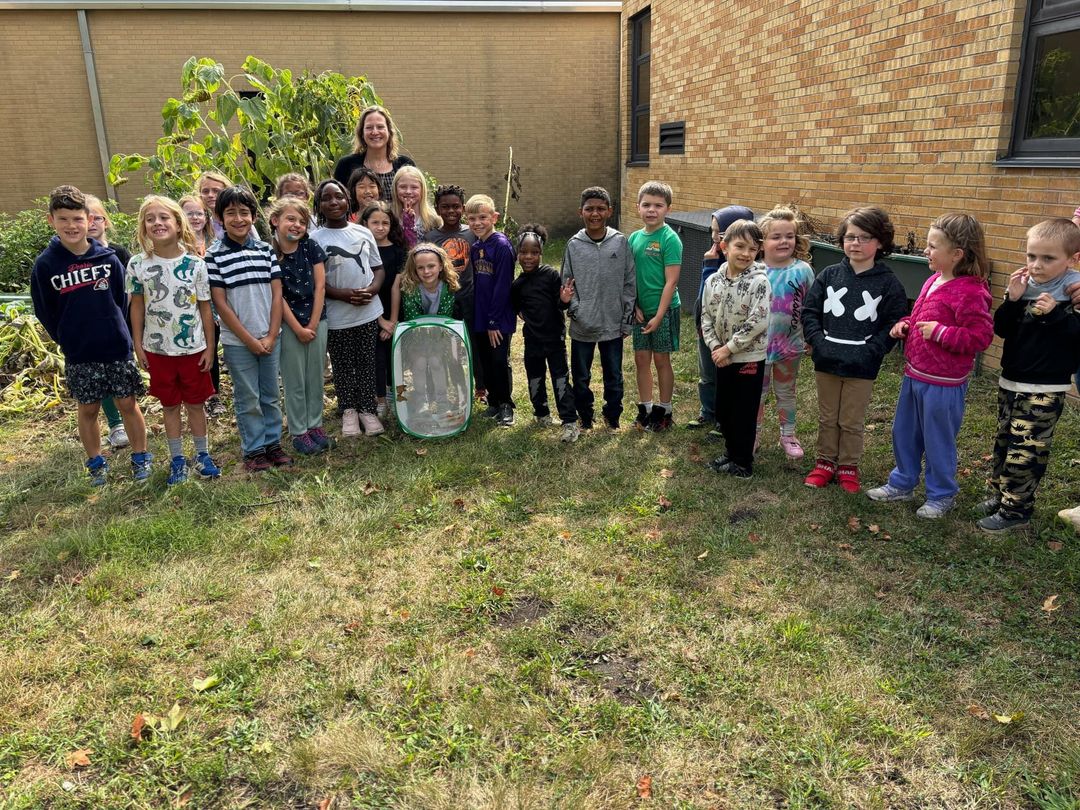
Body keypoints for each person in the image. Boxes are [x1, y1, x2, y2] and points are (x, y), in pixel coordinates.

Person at [866, 214, 994, 518]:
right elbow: (924, 317)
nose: (926, 251)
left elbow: (981, 336)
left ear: (957, 254)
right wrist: (906, 324)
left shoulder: (971, 292)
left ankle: (941, 494)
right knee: (904, 432)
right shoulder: (933, 280)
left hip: (944, 384)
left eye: (932, 246)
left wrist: (939, 332)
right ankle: (903, 482)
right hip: (915, 375)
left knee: (938, 440)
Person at [30, 185, 151, 485]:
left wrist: (119, 332)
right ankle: (96, 462)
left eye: (77, 219)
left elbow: (121, 301)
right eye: (63, 219)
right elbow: (45, 310)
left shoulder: (108, 259)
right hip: (79, 351)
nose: (71, 226)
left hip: (115, 346)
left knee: (127, 403)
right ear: (51, 221)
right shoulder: (46, 265)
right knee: (88, 407)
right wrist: (67, 337)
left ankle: (141, 457)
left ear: (89, 220)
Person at [977, 218, 1080, 533]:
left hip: (1045, 388)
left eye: (1048, 258)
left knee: (1027, 452)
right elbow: (1003, 329)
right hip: (1012, 380)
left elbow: (1076, 336)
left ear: (1073, 259)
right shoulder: (1024, 284)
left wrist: (1056, 315)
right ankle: (999, 493)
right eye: (1031, 256)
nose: (1037, 265)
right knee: (1004, 442)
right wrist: (1011, 299)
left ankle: (1016, 510)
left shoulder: (1074, 290)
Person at [802, 207, 907, 493]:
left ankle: (848, 466)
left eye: (864, 237)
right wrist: (819, 343)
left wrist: (873, 350)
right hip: (827, 361)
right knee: (828, 417)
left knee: (850, 420)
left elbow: (894, 322)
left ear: (881, 243)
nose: (856, 244)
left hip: (862, 366)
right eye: (850, 237)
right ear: (842, 241)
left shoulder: (888, 283)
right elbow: (809, 311)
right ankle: (825, 462)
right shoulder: (829, 275)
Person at [127, 195, 221, 485]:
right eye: (150, 218)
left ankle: (202, 455)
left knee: (195, 404)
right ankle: (178, 459)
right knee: (169, 406)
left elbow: (205, 307)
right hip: (158, 349)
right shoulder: (138, 265)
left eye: (164, 217)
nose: (157, 223)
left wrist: (210, 346)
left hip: (193, 349)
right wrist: (138, 344)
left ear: (179, 225)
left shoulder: (195, 265)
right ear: (143, 227)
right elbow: (137, 306)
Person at [205, 185, 292, 472]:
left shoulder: (266, 250)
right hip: (238, 342)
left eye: (244, 212)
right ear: (220, 217)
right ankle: (254, 449)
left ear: (254, 217)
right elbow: (220, 303)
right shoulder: (214, 255)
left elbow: (277, 294)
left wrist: (269, 334)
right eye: (231, 213)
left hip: (271, 337)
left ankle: (272, 444)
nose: (238, 219)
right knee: (248, 397)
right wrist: (249, 339)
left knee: (270, 394)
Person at [310, 179, 386, 438]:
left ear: (348, 200)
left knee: (366, 361)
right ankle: (348, 410)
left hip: (367, 311)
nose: (334, 202)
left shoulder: (363, 232)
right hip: (337, 315)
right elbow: (316, 281)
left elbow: (377, 267)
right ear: (319, 204)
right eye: (327, 198)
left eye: (339, 196)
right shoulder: (314, 239)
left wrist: (373, 289)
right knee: (343, 364)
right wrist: (341, 294)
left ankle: (367, 408)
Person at [700, 220, 771, 479]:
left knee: (744, 411)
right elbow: (705, 316)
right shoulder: (713, 281)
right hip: (722, 356)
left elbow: (759, 320)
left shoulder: (760, 281)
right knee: (725, 408)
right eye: (740, 246)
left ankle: (743, 463)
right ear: (724, 246)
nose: (745, 254)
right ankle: (730, 452)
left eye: (752, 249)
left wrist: (729, 348)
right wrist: (716, 347)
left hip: (748, 357)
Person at [561, 186, 635, 431]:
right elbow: (566, 282)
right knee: (581, 377)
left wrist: (626, 319)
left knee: (614, 375)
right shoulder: (574, 245)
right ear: (580, 212)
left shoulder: (620, 242)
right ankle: (585, 416)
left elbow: (629, 282)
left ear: (609, 211)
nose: (595, 214)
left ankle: (612, 416)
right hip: (583, 325)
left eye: (601, 209)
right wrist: (576, 310)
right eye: (589, 209)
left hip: (613, 324)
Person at [268, 195, 333, 456]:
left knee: (315, 377)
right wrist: (297, 328)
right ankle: (299, 431)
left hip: (318, 321)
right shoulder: (270, 253)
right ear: (275, 220)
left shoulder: (311, 248)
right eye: (290, 219)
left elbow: (320, 286)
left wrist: (314, 323)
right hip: (288, 324)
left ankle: (315, 425)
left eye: (302, 221)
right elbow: (277, 296)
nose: (296, 225)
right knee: (295, 380)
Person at [755, 206, 816, 458]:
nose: (784, 241)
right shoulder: (753, 269)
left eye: (789, 236)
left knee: (786, 392)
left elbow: (811, 307)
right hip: (756, 349)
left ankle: (788, 434)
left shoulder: (802, 271)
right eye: (776, 237)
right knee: (755, 395)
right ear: (762, 242)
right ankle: (753, 434)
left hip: (789, 346)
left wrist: (811, 337)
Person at [510, 224, 579, 443]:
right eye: (523, 252)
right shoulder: (517, 285)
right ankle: (541, 414)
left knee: (561, 380)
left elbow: (560, 303)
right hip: (532, 341)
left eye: (534, 252)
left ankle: (569, 422)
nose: (528, 257)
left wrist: (565, 299)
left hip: (555, 340)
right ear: (517, 254)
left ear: (541, 253)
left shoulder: (550, 275)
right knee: (535, 379)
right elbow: (517, 308)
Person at [688, 205, 754, 431]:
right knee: (707, 374)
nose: (714, 236)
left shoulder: (743, 265)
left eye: (719, 231)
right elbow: (703, 297)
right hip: (707, 330)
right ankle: (708, 412)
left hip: (733, 334)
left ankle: (723, 418)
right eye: (712, 230)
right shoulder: (712, 257)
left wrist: (709, 265)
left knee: (728, 378)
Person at [629, 181, 682, 431]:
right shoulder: (634, 238)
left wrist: (660, 315)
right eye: (646, 204)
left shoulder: (670, 239)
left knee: (661, 360)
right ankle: (646, 408)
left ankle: (664, 411)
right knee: (641, 359)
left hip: (664, 310)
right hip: (641, 311)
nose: (652, 210)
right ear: (638, 207)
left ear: (667, 209)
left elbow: (671, 282)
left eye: (658, 205)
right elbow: (630, 277)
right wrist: (635, 305)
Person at [85, 193, 133, 451]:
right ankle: (115, 424)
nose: (92, 222)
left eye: (97, 217)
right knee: (101, 379)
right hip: (92, 330)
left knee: (123, 377)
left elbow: (131, 290)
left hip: (122, 324)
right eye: (87, 217)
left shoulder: (119, 253)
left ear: (106, 221)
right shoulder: (75, 260)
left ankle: (130, 420)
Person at [426, 184, 481, 400]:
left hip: (470, 298)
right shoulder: (431, 237)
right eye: (445, 207)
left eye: (456, 206)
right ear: (437, 209)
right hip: (445, 299)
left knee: (474, 344)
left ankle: (481, 387)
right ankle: (454, 388)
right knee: (449, 350)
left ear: (463, 208)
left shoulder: (473, 233)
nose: (451, 211)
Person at [466, 194, 516, 427]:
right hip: (481, 314)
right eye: (472, 218)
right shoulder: (476, 247)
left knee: (498, 360)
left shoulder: (502, 246)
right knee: (485, 360)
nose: (477, 223)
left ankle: (506, 404)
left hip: (498, 318)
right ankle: (494, 402)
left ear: (494, 217)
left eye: (483, 217)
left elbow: (502, 287)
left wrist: (494, 322)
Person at [399, 244, 464, 422]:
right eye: (421, 267)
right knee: (419, 365)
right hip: (416, 338)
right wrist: (421, 347)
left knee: (436, 363)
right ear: (415, 269)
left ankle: (442, 402)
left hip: (439, 337)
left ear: (441, 266)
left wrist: (435, 345)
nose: (426, 271)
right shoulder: (411, 288)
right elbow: (413, 317)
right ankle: (422, 401)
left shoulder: (448, 287)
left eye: (431, 266)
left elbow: (444, 317)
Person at [359, 201, 406, 418]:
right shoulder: (361, 251)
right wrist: (380, 320)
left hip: (393, 308)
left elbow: (396, 287)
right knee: (376, 357)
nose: (380, 227)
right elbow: (366, 286)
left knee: (396, 356)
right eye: (375, 222)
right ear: (365, 224)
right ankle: (379, 400)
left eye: (385, 222)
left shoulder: (398, 251)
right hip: (370, 311)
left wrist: (393, 320)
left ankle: (398, 397)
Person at [333, 105, 416, 202]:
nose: (375, 132)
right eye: (369, 127)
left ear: (389, 132)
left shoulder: (405, 165)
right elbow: (338, 202)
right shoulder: (346, 165)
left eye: (380, 127)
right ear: (362, 133)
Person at [392, 165, 440, 249]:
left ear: (422, 190)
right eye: (403, 187)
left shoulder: (433, 219)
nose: (408, 191)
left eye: (414, 187)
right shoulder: (390, 217)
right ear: (395, 189)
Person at [196, 171, 231, 240]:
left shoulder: (239, 219)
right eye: (205, 191)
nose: (210, 195)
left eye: (216, 191)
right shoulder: (203, 224)